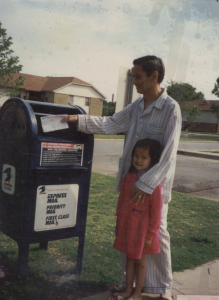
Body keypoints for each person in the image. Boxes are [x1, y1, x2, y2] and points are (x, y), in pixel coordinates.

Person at [61, 55, 182, 300]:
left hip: (153, 187)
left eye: (138, 76)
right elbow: (111, 123)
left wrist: (147, 184)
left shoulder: (171, 108)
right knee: (127, 231)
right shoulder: (137, 106)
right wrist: (79, 120)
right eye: (133, 77)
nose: (135, 82)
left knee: (156, 233)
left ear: (154, 76)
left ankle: (162, 289)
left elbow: (169, 154)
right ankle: (131, 285)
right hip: (130, 183)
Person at [111, 138, 162, 300]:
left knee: (140, 260)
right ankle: (127, 290)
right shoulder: (129, 176)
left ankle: (138, 293)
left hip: (142, 230)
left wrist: (150, 234)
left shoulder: (154, 184)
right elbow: (122, 200)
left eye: (144, 157)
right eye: (136, 156)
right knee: (129, 259)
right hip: (127, 226)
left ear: (152, 159)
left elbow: (157, 212)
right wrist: (118, 221)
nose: (138, 160)